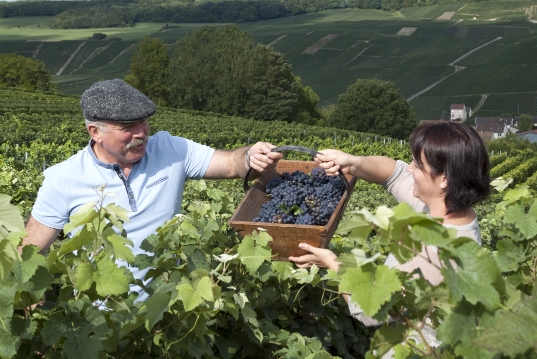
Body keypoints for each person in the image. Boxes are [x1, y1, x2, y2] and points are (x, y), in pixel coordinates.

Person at [21, 78, 283, 299]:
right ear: (94, 132)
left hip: (169, 311)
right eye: (127, 127)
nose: (141, 133)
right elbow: (28, 255)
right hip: (103, 321)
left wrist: (250, 157)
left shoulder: (171, 150)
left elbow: (230, 164)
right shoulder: (63, 178)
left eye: (143, 122)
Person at [289, 122, 491, 347]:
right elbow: (392, 173)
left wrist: (334, 263)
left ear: (444, 178)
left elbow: (373, 309)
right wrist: (353, 162)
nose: (410, 169)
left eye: (417, 165)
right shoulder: (445, 208)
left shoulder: (436, 250)